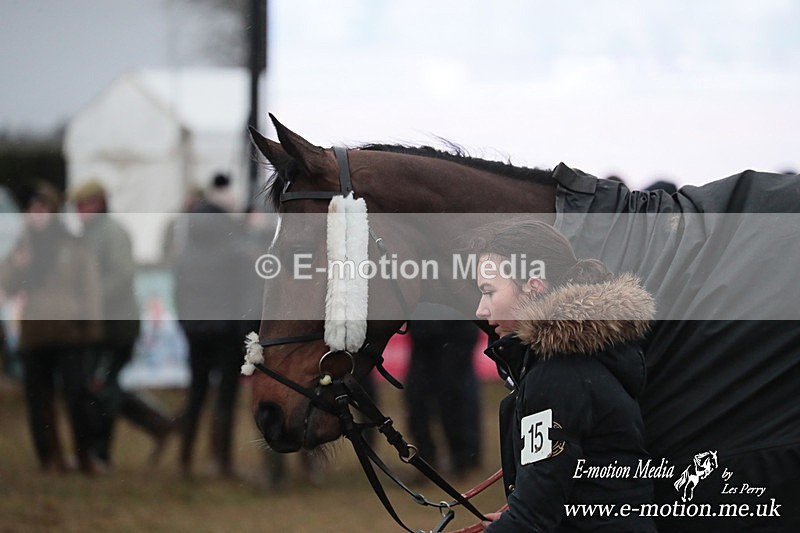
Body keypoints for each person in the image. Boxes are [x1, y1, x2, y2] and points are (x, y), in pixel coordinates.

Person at [468, 218, 657, 532]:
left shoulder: (554, 377)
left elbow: (532, 519)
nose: (480, 310)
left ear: (533, 287)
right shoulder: (577, 362)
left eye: (489, 292)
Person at [70, 180, 174, 468]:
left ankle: (100, 453)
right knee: (104, 387)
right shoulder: (90, 233)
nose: (79, 211)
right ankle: (159, 424)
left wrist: (88, 299)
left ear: (98, 203)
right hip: (102, 325)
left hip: (114, 327)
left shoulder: (110, 232)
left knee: (103, 389)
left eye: (83, 205)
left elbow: (122, 274)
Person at [0, 181, 103, 474]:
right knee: (38, 400)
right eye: (32, 209)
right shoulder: (24, 246)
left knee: (77, 397)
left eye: (42, 208)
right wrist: (19, 265)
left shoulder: (73, 243)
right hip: (35, 334)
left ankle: (84, 456)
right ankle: (50, 458)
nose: (37, 214)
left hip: (70, 333)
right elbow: (5, 283)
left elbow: (90, 288)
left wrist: (91, 330)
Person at [173, 173, 250, 478]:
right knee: (226, 398)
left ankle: (185, 460)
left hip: (195, 331)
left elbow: (177, 291)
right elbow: (242, 291)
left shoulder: (188, 244)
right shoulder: (232, 243)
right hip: (227, 333)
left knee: (196, 394)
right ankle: (222, 462)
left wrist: (187, 325)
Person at [405, 304, 482, 478]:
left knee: (454, 394)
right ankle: (425, 459)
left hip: (456, 325)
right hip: (423, 327)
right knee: (416, 395)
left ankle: (462, 458)